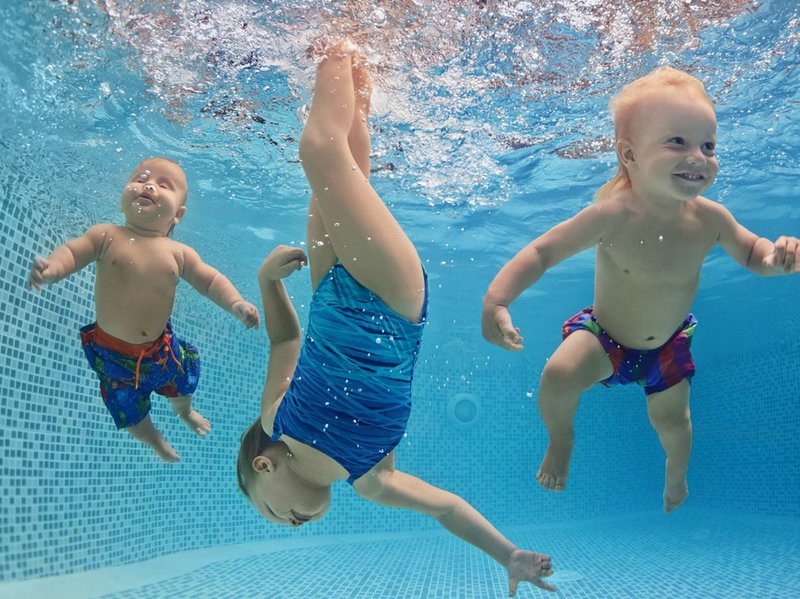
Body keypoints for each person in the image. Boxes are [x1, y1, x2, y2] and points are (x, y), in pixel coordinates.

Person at [237, 41, 555, 595]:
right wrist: (508, 555)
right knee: (324, 152)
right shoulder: (374, 480)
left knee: (340, 153)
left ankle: (351, 57)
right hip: (390, 298)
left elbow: (286, 339)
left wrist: (266, 283)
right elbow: (447, 508)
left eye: (273, 515)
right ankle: (346, 44)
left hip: (327, 286)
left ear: (264, 468)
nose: (289, 525)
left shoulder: (276, 423)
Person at [482, 67, 799, 513]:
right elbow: (542, 253)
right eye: (678, 142)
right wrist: (496, 300)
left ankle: (675, 477)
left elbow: (753, 254)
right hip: (604, 337)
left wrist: (776, 259)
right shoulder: (612, 215)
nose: (698, 156)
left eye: (708, 145)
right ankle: (561, 439)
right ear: (629, 155)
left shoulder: (712, 218)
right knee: (557, 375)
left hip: (668, 344)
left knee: (674, 424)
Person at [27, 157, 260, 462]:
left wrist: (236, 304)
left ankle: (185, 412)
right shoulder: (106, 235)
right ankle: (154, 440)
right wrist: (54, 268)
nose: (148, 185)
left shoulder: (179, 253)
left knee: (182, 386)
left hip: (160, 350)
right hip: (113, 356)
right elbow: (73, 252)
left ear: (177, 214)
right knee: (128, 413)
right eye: (141, 178)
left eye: (164, 185)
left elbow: (210, 281)